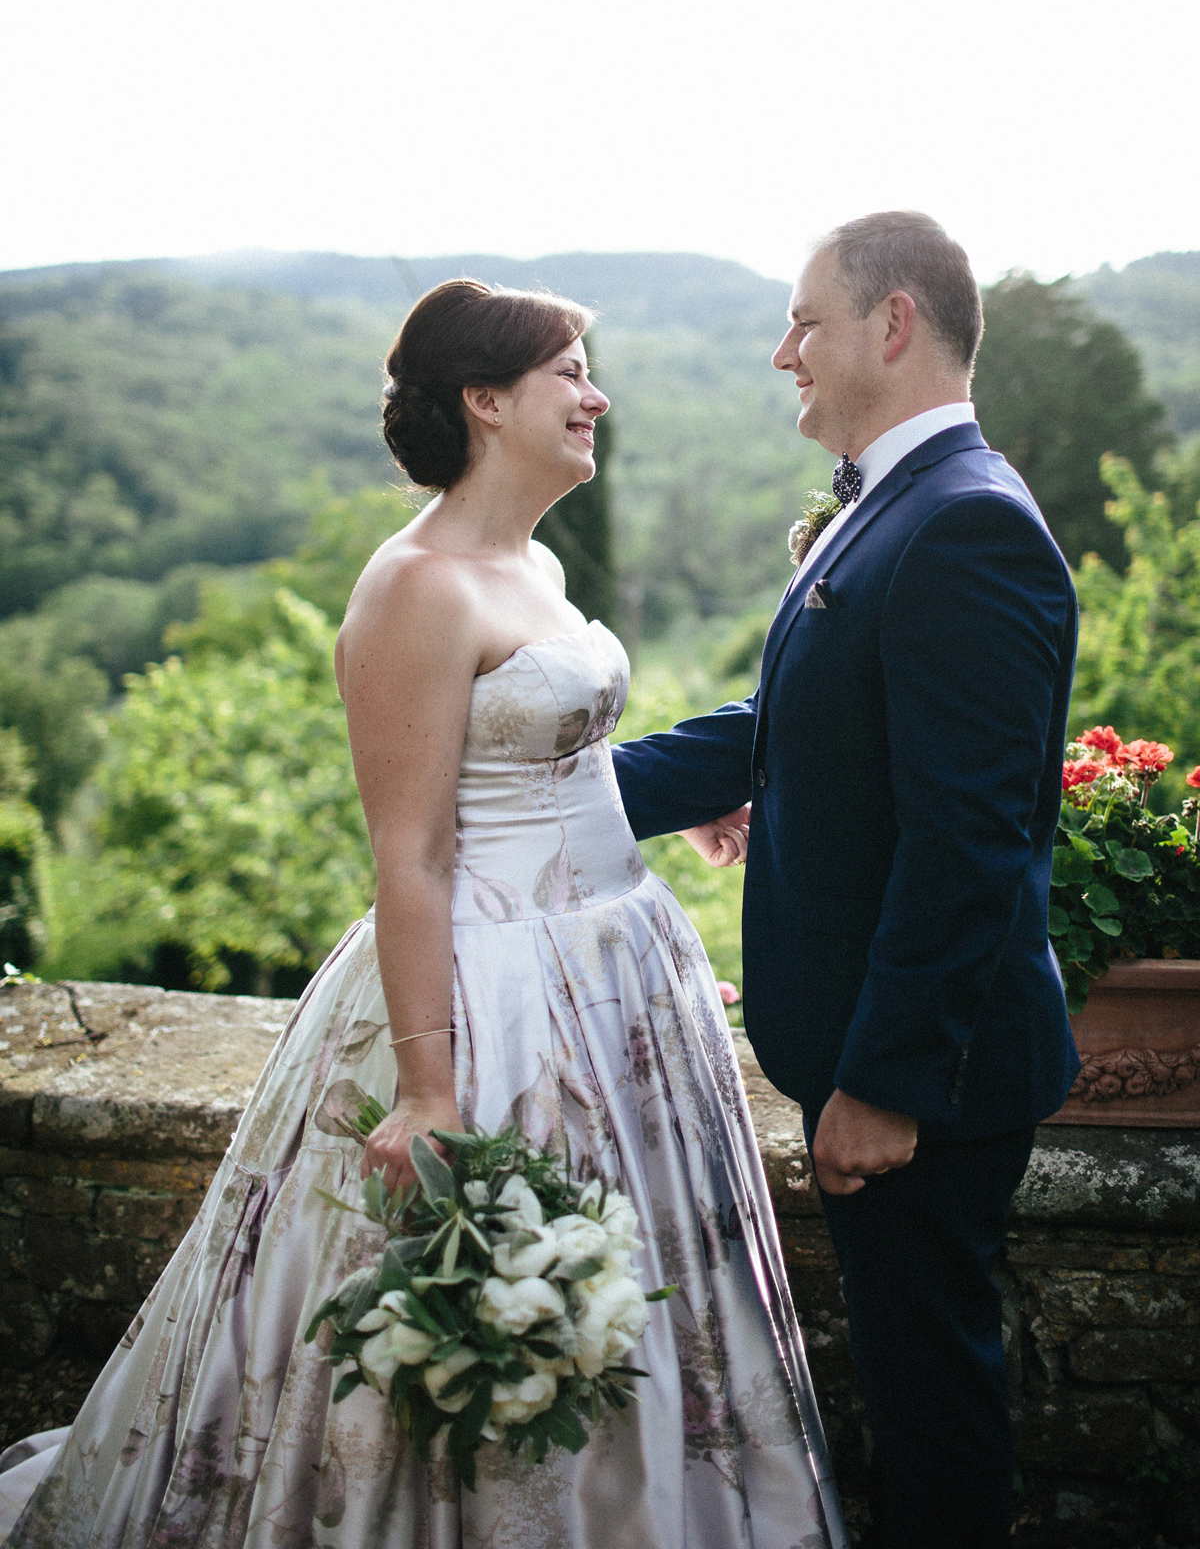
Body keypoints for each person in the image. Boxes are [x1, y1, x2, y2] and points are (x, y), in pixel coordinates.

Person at [0, 279, 845, 1549]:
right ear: (486, 401)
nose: (594, 394)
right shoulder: (414, 588)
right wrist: (430, 1092)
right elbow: (412, 853)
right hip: (491, 994)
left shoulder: (539, 562)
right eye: (569, 370)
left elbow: (543, 768)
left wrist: (652, 815)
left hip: (618, 969)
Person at [611, 213, 1081, 1549]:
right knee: (906, 1383)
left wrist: (881, 1083)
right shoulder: (896, 511)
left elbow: (968, 842)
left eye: (806, 321)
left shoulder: (967, 526)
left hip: (926, 1084)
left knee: (933, 1404)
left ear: (893, 325)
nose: (782, 352)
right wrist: (557, 789)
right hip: (880, 1063)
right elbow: (787, 727)